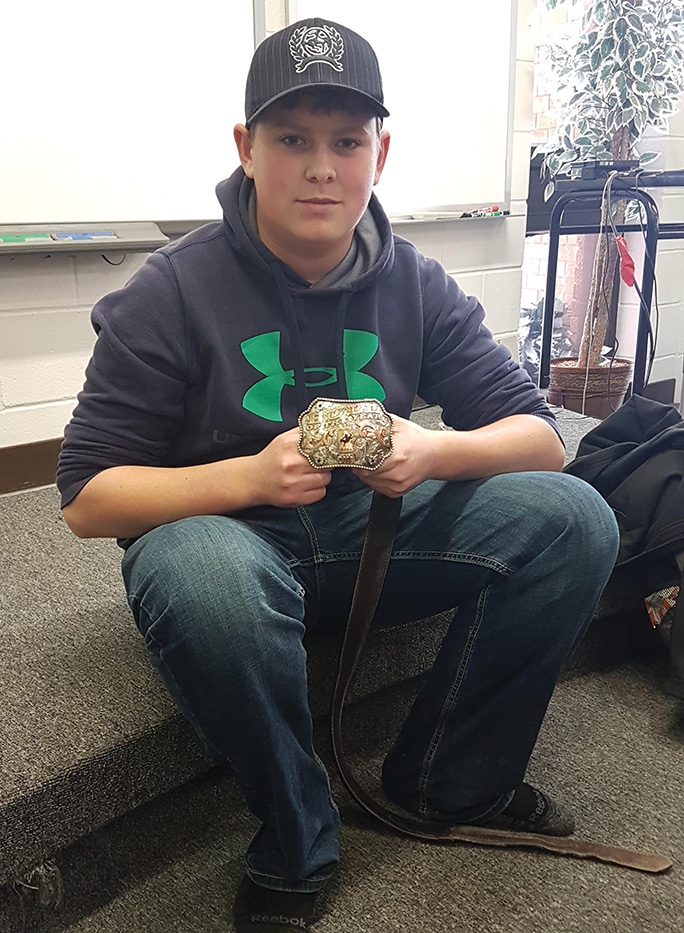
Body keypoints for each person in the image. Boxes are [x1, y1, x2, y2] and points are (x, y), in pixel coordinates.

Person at [57, 18, 620, 933]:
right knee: (201, 579)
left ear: (379, 153)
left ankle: (451, 780)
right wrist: (248, 475)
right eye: (291, 139)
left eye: (346, 141)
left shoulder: (420, 283)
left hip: (376, 539)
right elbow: (86, 498)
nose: (322, 167)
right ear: (246, 150)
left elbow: (541, 438)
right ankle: (296, 835)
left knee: (577, 518)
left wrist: (436, 450)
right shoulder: (167, 291)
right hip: (230, 539)